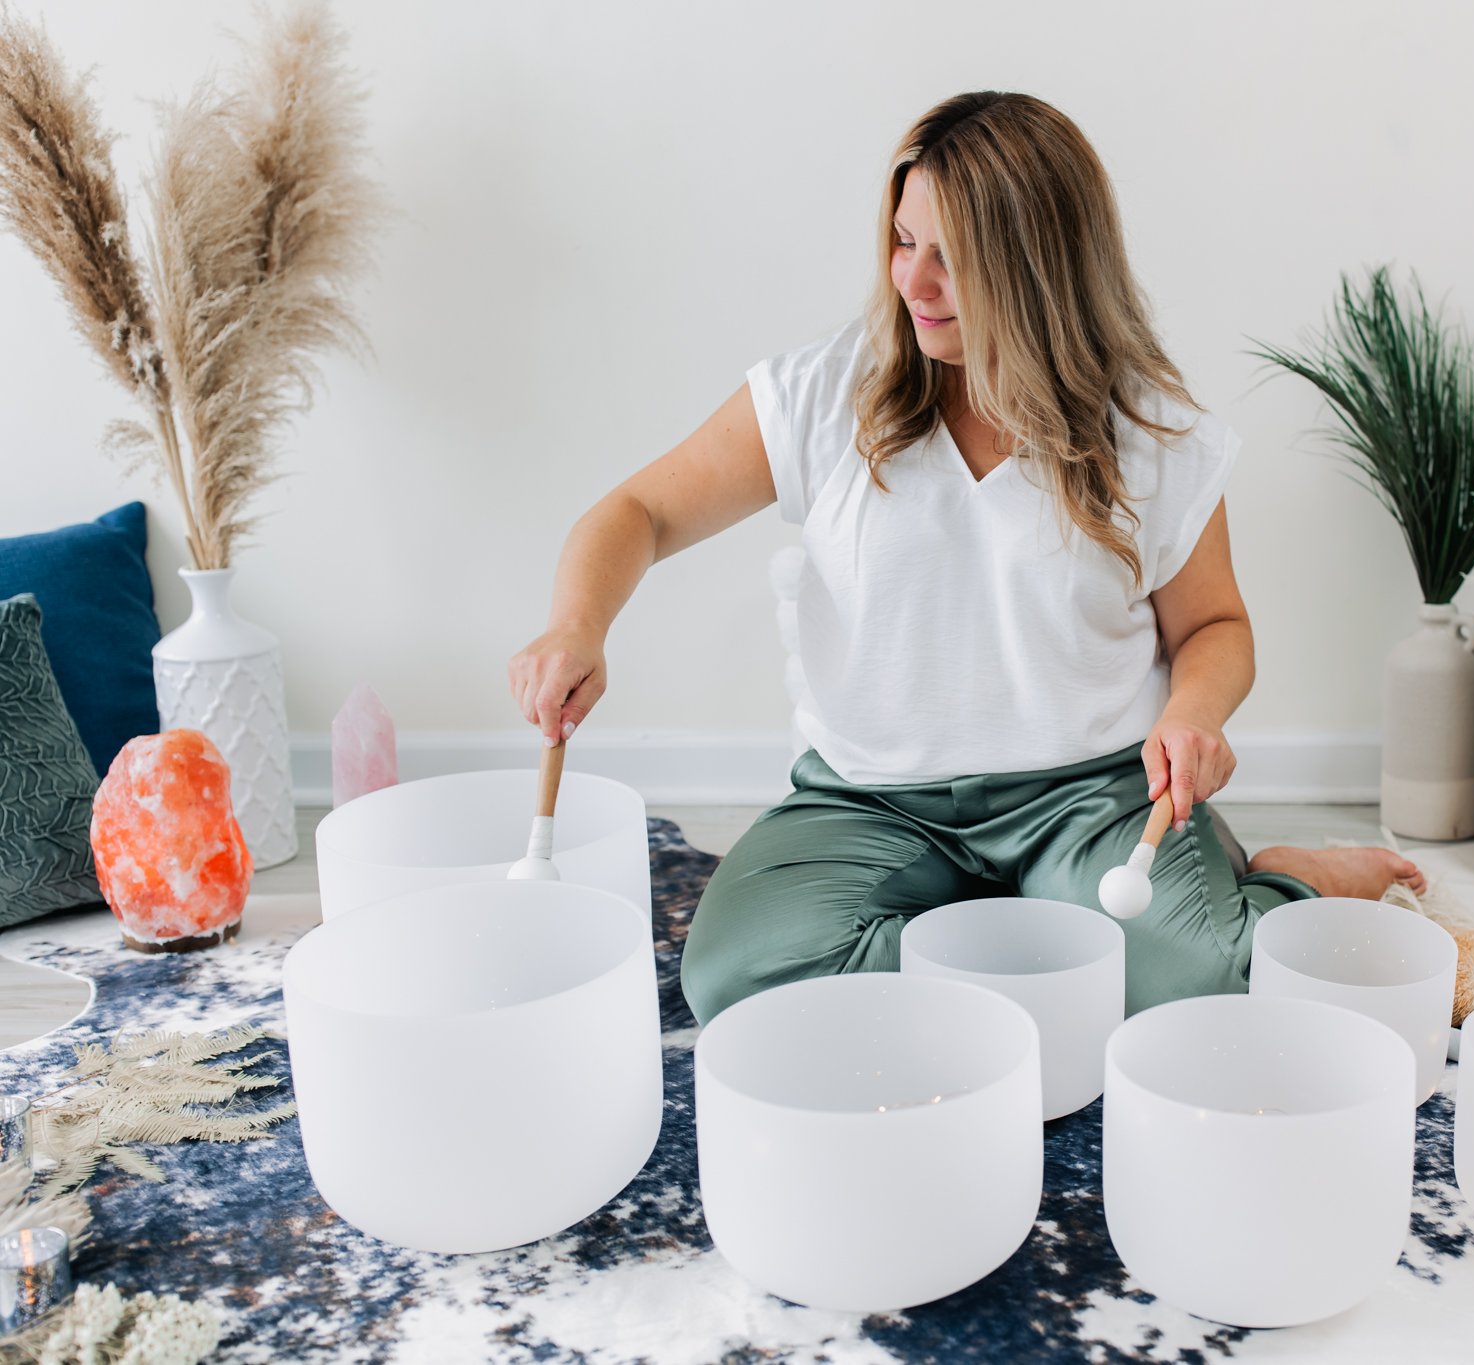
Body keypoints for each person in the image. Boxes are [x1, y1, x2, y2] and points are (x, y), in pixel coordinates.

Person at [508, 91, 1425, 1026]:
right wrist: (576, 625)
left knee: (1190, 990)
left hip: (1089, 795)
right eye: (904, 241)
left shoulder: (1152, 432)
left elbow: (1216, 627)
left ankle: (1279, 883)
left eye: (953, 256)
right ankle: (1036, 949)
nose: (915, 281)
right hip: (870, 802)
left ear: (1040, 268)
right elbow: (639, 510)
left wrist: (1194, 716)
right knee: (737, 978)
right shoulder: (827, 392)